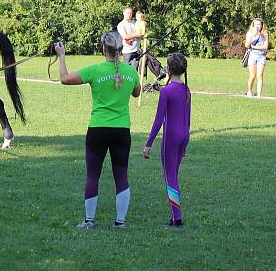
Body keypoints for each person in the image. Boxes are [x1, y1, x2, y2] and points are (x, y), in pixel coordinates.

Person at [54, 32, 141, 229]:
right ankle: (120, 222)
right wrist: (131, 72)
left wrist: (61, 56)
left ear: (104, 49)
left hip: (98, 129)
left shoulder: (95, 70)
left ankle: (89, 221)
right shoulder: (130, 72)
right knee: (121, 176)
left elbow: (65, 79)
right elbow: (137, 92)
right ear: (120, 49)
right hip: (121, 131)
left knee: (93, 175)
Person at [143, 52, 191, 228]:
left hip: (171, 137)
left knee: (170, 177)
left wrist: (148, 144)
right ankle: (174, 215)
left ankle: (176, 217)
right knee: (174, 176)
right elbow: (188, 118)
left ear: (168, 69)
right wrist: (185, 144)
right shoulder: (186, 90)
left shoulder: (166, 91)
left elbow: (158, 120)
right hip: (184, 135)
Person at [244, 17, 269, 98]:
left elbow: (265, 47)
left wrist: (254, 47)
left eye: (259, 24)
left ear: (262, 25)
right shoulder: (250, 33)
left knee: (260, 75)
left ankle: (259, 94)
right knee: (252, 76)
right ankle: (249, 91)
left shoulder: (265, 34)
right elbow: (247, 45)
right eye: (256, 24)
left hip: (261, 56)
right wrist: (252, 36)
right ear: (253, 25)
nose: (258, 26)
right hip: (252, 56)